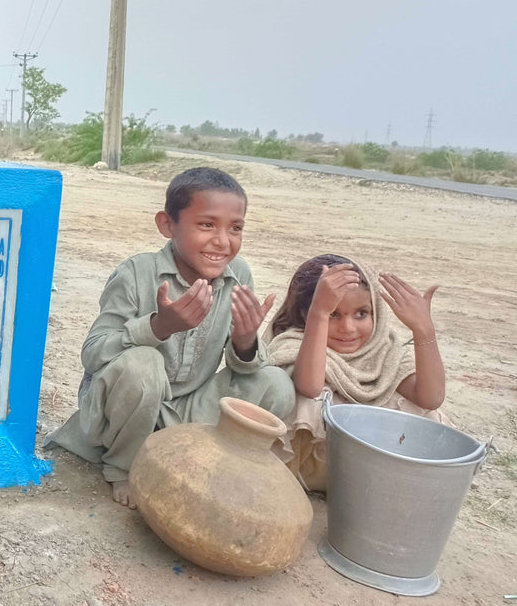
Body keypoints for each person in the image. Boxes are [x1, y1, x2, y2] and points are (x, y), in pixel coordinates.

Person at [46, 167, 295, 508]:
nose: (223, 241)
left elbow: (244, 368)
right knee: (143, 364)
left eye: (235, 228)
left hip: (190, 410)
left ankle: (206, 458)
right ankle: (123, 466)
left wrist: (246, 340)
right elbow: (93, 354)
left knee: (276, 381)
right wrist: (159, 327)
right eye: (207, 225)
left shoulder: (239, 276)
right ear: (167, 224)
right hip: (124, 412)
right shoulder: (136, 273)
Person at [263, 254, 448, 492]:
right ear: (304, 315)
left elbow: (430, 398)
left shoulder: (382, 349)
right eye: (333, 315)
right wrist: (319, 313)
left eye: (361, 313)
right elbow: (310, 387)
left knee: (420, 412)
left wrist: (423, 330)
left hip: (365, 474)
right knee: (309, 400)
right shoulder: (293, 343)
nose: (348, 328)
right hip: (308, 470)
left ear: (376, 313)